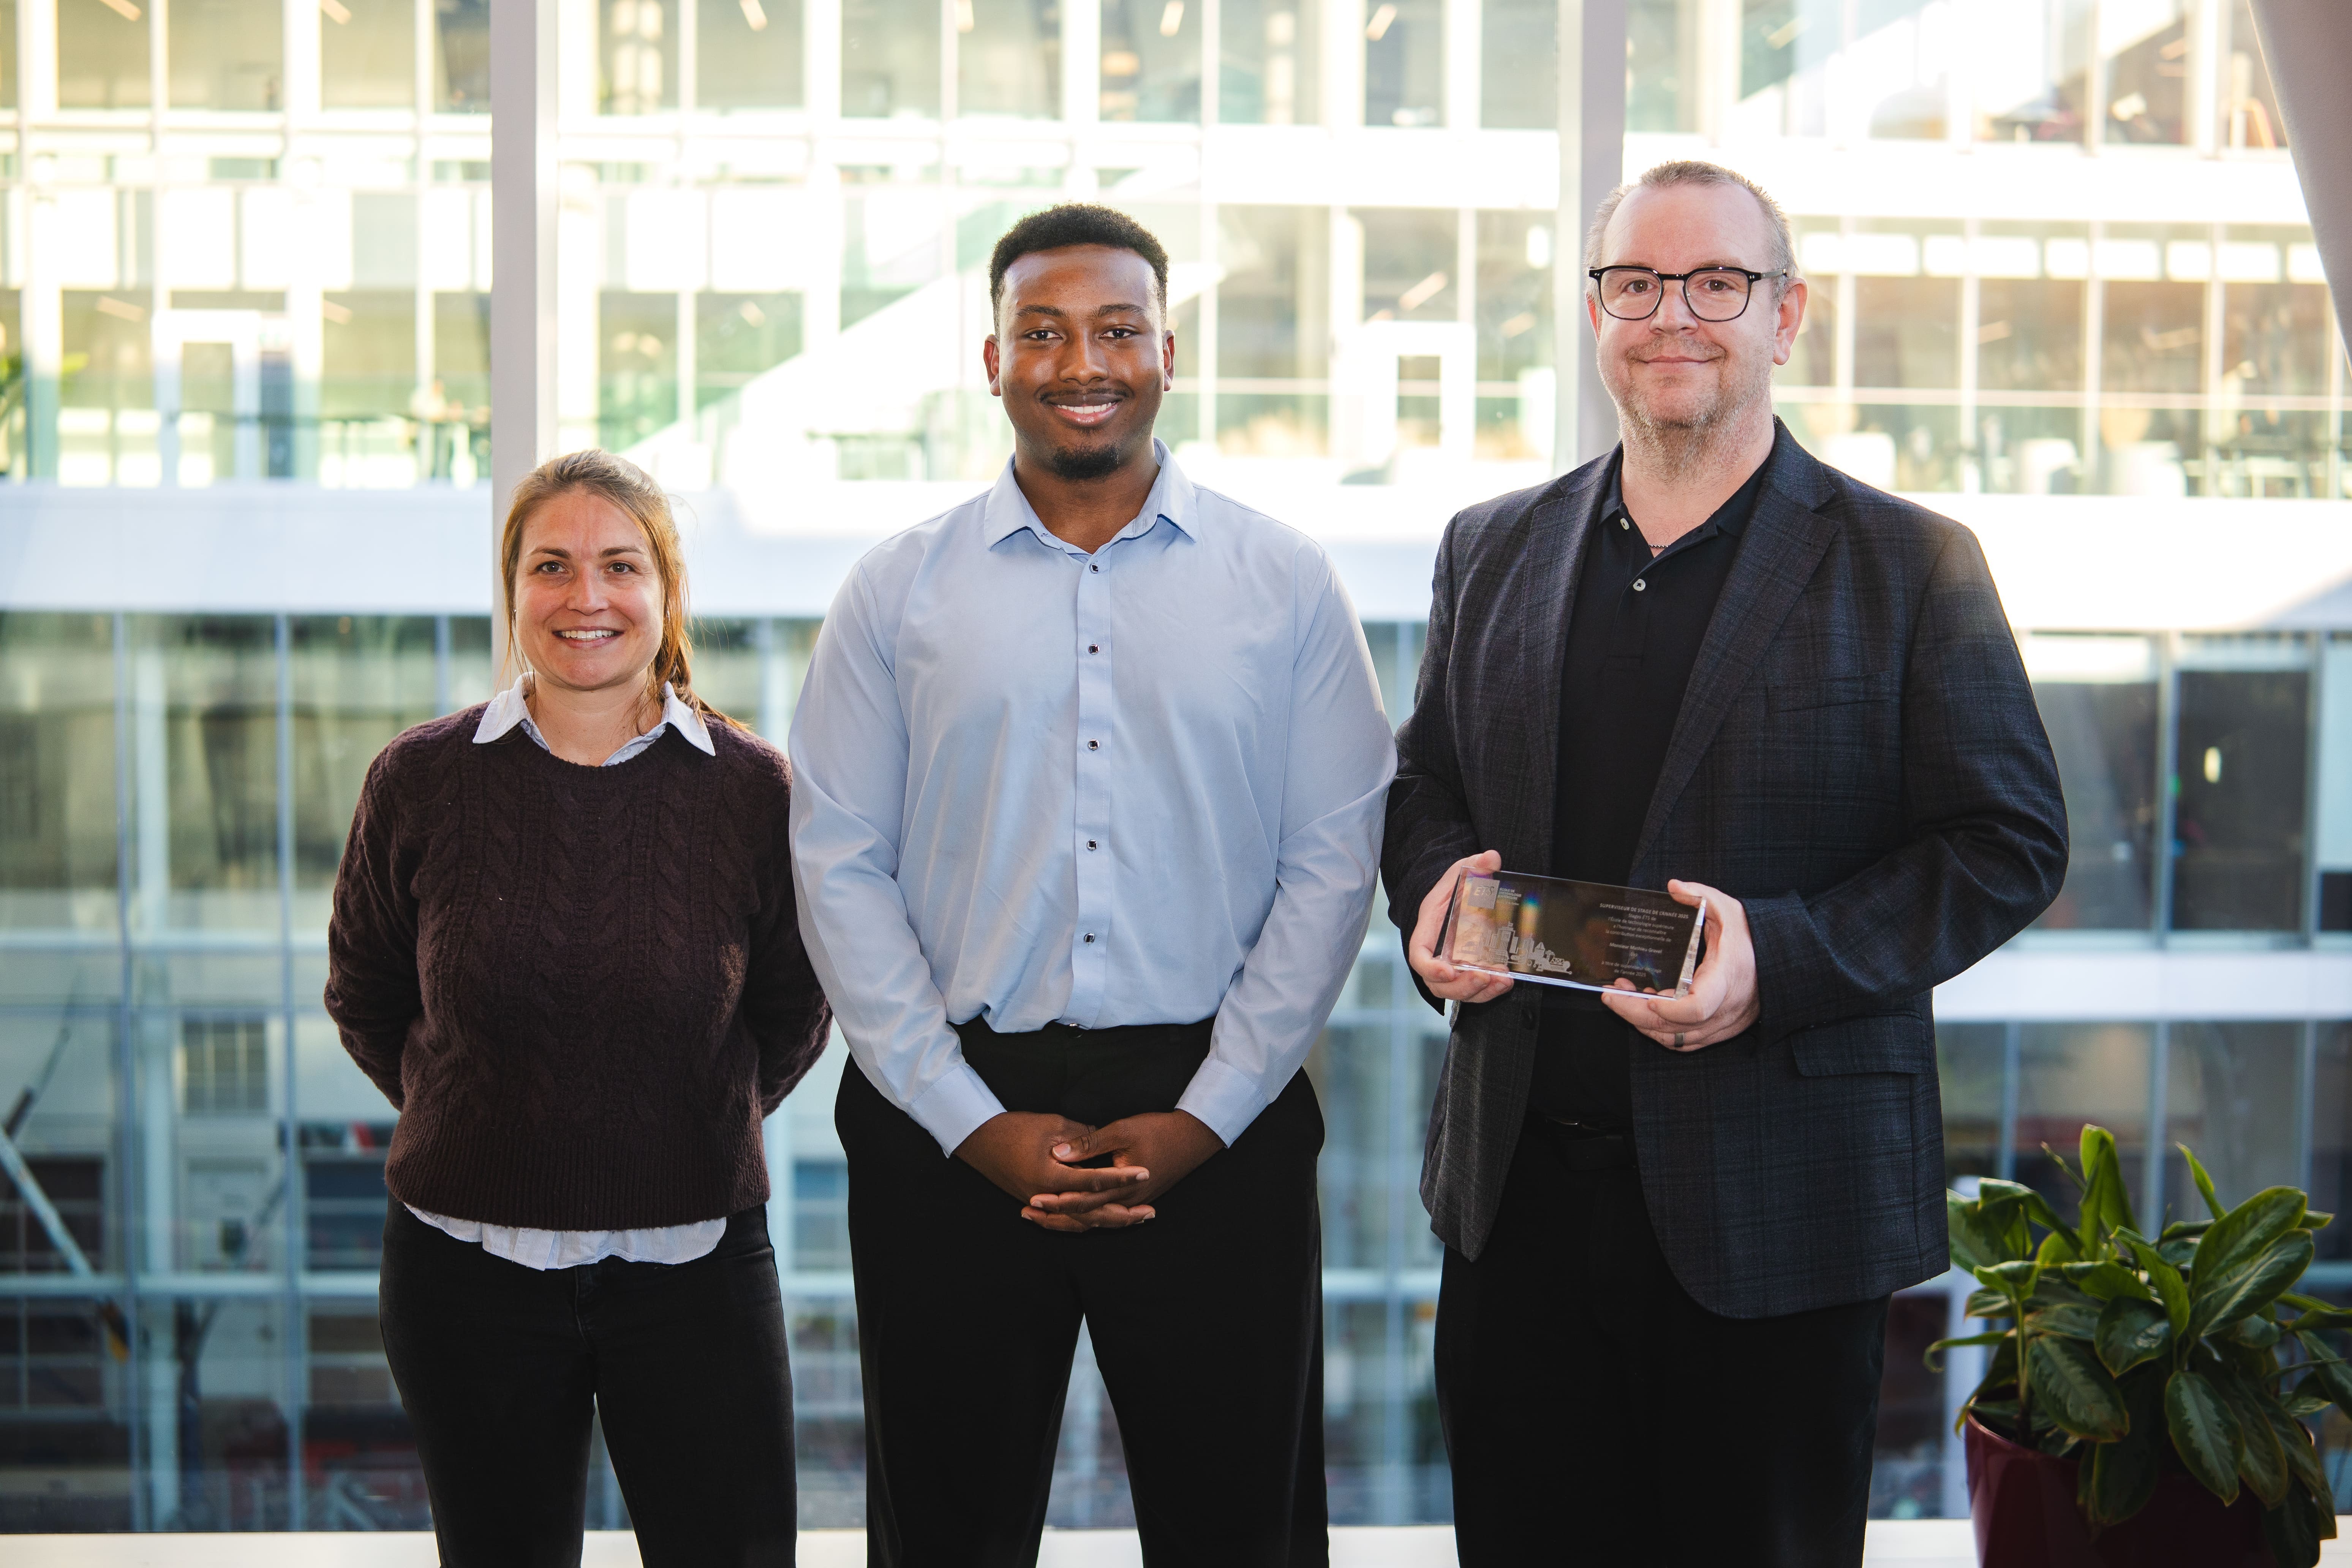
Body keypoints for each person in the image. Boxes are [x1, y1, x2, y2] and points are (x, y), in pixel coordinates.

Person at [1381, 160, 2067, 1564]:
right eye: (1635, 283)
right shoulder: (1491, 549)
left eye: (1716, 284)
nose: (1672, 315)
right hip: (1517, 1208)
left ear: (1786, 316)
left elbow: (2011, 842)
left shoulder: (1911, 564)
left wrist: (1783, 959)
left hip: (1778, 1212)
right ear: (1596, 314)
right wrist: (1436, 894)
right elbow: (1423, 784)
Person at [789, 204, 1394, 1566]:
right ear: (990, 358)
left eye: (1117, 328)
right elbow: (837, 863)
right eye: (1043, 332)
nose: (1083, 361)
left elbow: (1333, 863)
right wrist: (961, 1116)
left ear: (1169, 352)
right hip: (950, 1119)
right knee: (944, 1528)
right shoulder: (894, 593)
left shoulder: (1286, 584)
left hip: (1218, 1118)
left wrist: (1210, 1111)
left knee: (1242, 1526)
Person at [324, 449, 831, 1567]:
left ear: (667, 593)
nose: (586, 597)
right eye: (551, 565)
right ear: (512, 590)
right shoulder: (418, 779)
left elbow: (796, 1010)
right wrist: (477, 1113)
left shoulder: (756, 793)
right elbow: (365, 991)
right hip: (465, 1272)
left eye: (619, 565)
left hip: (695, 1265)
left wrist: (679, 1121)